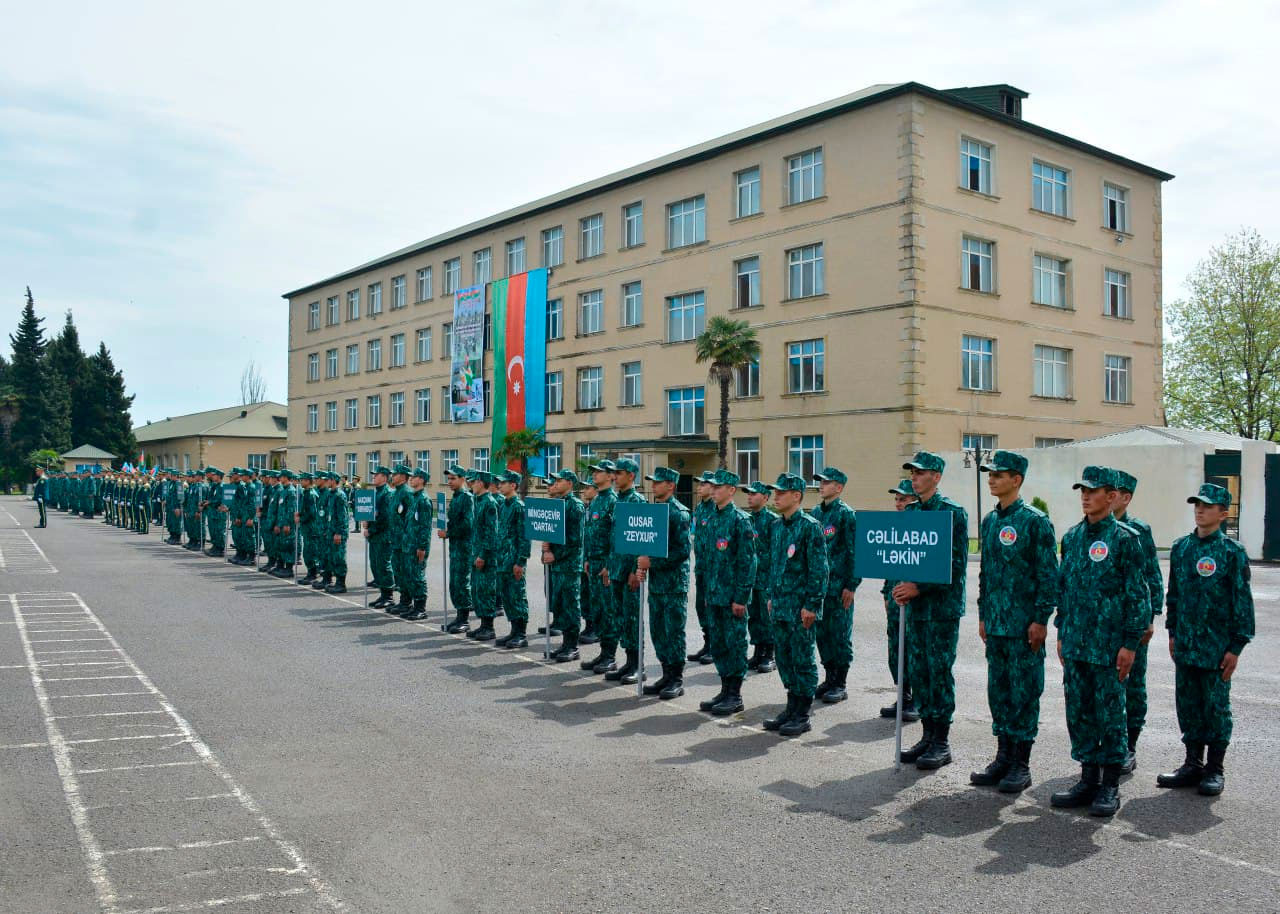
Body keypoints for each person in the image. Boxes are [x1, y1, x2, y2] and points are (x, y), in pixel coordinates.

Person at [1049, 466, 1147, 818]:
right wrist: (1062, 630)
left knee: (1111, 715)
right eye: (1083, 491)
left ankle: (1109, 785)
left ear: (1111, 495)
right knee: (1080, 713)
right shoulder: (1072, 538)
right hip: (1076, 644)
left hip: (1109, 648)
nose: (1086, 497)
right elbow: (1065, 590)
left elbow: (1138, 595)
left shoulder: (1126, 539)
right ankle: (1087, 778)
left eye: (1093, 491)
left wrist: (1130, 643)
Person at [1157, 483, 1254, 797]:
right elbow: (1174, 597)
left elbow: (1242, 602)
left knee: (1215, 707)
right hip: (1185, 643)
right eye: (1197, 504)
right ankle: (1192, 764)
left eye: (1208, 506)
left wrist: (1236, 647)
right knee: (1187, 705)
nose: (1200, 509)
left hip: (1216, 648)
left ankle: (1215, 768)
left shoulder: (1232, 552)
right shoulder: (1181, 548)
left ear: (1223, 513)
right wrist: (1172, 633)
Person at [970, 451, 1058, 794]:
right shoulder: (991, 522)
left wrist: (1040, 619)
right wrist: (982, 615)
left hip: (1024, 628)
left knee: (1023, 693)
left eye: (999, 474)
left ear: (1016, 480)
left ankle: (1021, 764)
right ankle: (1002, 757)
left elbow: (1048, 576)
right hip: (996, 625)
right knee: (999, 692)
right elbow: (986, 574)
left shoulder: (1035, 521)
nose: (991, 479)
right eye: (990, 474)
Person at [895, 451, 968, 771]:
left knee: (938, 673)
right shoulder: (910, 512)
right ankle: (926, 735)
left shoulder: (952, 513)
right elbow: (902, 555)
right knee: (920, 673)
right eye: (912, 472)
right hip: (915, 609)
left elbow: (954, 565)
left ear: (936, 477)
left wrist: (919, 587)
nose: (914, 476)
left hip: (940, 609)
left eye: (921, 472)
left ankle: (941, 740)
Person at [761, 473, 828, 737]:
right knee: (784, 659)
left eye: (781, 492)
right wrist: (769, 595)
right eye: (775, 492)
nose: (775, 496)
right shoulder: (777, 526)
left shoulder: (810, 527)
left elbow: (819, 571)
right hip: (780, 605)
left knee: (802, 659)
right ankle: (791, 706)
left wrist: (812, 604)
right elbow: (773, 565)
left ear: (797, 496)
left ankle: (802, 713)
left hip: (801, 608)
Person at [1111, 470, 1164, 774]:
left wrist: (1151, 617)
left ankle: (1129, 746)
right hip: (1105, 624)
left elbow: (1152, 576)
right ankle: (1108, 746)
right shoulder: (1094, 530)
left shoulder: (1138, 530)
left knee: (1133, 685)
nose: (1110, 495)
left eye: (1115, 492)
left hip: (1134, 622)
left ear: (1126, 497)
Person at [697, 469, 757, 716]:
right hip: (714, 595)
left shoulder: (740, 520)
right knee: (719, 644)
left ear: (731, 491)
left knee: (734, 644)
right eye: (713, 486)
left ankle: (735, 694)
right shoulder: (711, 517)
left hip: (732, 597)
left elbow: (748, 562)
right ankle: (724, 689)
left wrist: (741, 597)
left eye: (719, 487)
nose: (713, 490)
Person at [639, 466, 692, 699]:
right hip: (657, 584)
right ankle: (665, 674)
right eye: (653, 481)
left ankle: (676, 679)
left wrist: (652, 564)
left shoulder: (679, 513)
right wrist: (640, 567)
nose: (653, 485)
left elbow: (681, 552)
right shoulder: (655, 511)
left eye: (658, 482)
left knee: (673, 632)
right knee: (658, 631)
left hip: (673, 585)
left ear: (671, 485)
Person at [810, 467, 860, 704]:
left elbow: (855, 552)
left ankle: (840, 683)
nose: (821, 485)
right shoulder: (815, 513)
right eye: (820, 481)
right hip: (820, 588)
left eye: (826, 482)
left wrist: (851, 585)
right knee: (823, 635)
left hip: (840, 588)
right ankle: (829, 678)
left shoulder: (846, 514)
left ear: (838, 487)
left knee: (840, 635)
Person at [604, 458, 646, 684]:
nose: (614, 477)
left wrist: (634, 570)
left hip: (629, 572)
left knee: (632, 618)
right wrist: (611, 568)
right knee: (621, 618)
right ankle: (628, 662)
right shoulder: (617, 500)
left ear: (631, 476)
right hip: (617, 570)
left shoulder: (636, 501)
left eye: (618, 473)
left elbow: (641, 540)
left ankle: (638, 665)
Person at [880, 480, 919, 721]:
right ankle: (902, 695)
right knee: (896, 651)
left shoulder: (922, 528)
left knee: (913, 650)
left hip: (915, 603)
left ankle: (917, 700)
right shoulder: (894, 526)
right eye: (896, 499)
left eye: (903, 499)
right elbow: (888, 562)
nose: (898, 503)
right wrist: (886, 593)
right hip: (895, 600)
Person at [543, 469, 586, 662]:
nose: (556, 483)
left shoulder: (575, 506)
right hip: (558, 565)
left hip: (568, 565)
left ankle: (572, 646)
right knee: (560, 603)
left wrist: (554, 554)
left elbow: (575, 540)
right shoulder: (559, 504)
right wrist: (547, 547)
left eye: (559, 480)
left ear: (569, 483)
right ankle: (565, 644)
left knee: (570, 606)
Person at [581, 460, 618, 673]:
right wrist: (587, 558)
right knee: (597, 610)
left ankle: (610, 656)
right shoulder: (595, 501)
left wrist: (609, 564)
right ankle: (603, 652)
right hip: (592, 562)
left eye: (598, 472)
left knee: (607, 610)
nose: (594, 475)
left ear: (610, 475)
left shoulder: (612, 501)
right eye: (593, 472)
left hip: (604, 565)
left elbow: (615, 537)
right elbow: (590, 532)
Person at [493, 470, 531, 648]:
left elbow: (524, 537)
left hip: (514, 560)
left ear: (513, 485)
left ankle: (521, 634)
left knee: (517, 596)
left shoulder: (519, 507)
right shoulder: (503, 505)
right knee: (507, 596)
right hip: (502, 560)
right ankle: (513, 631)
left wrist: (520, 561)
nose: (499, 485)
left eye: (503, 482)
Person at [743, 481, 777, 673]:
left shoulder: (772, 520)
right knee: (753, 616)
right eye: (748, 493)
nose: (749, 496)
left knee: (766, 617)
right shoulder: (746, 520)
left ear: (765, 497)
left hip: (766, 578)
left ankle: (770, 655)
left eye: (754, 494)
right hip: (751, 579)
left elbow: (776, 552)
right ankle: (757, 652)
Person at [440, 465, 475, 631]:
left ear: (463, 479)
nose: (450, 482)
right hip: (456, 546)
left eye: (453, 478)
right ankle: (459, 616)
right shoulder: (455, 497)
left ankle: (464, 619)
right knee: (454, 582)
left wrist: (449, 533)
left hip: (464, 547)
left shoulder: (467, 498)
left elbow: (468, 525)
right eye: (448, 479)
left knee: (461, 582)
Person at [465, 471, 499, 640]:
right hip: (476, 552)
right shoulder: (477, 501)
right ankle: (482, 625)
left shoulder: (489, 503)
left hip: (486, 557)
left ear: (483, 483)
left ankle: (489, 627)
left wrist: (483, 555)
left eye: (476, 481)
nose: (473, 484)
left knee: (486, 591)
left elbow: (491, 533)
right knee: (477, 590)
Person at [688, 470, 717, 665]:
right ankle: (707, 644)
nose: (699, 487)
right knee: (701, 607)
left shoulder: (716, 508)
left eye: (703, 484)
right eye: (698, 483)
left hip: (714, 569)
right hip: (701, 567)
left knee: (712, 607)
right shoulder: (699, 509)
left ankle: (715, 647)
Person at [400, 468, 432, 620]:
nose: (411, 479)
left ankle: (421, 608)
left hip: (417, 546)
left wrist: (422, 547)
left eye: (414, 477)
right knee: (410, 575)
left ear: (421, 480)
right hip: (409, 544)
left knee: (418, 576)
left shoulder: (424, 500)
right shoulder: (414, 498)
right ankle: (413, 605)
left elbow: (425, 526)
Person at [384, 465, 414, 614]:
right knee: (398, 571)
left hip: (404, 541)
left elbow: (410, 520)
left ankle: (407, 602)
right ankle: (403, 600)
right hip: (395, 540)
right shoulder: (396, 492)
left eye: (395, 474)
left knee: (405, 571)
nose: (392, 476)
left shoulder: (407, 493)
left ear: (403, 476)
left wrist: (406, 539)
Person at [365, 466, 395, 606]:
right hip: (375, 536)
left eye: (376, 475)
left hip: (383, 536)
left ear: (384, 477)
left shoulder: (387, 494)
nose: (373, 477)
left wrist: (371, 530)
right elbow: (373, 513)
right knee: (376, 565)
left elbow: (386, 519)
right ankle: (383, 594)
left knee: (384, 566)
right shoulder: (376, 493)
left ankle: (388, 596)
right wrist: (366, 521)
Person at [578, 481, 600, 644]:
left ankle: (597, 629)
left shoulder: (601, 506)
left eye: (587, 487)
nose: (584, 490)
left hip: (598, 560)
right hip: (586, 558)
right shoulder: (588, 507)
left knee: (596, 597)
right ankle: (589, 625)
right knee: (586, 594)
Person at [323, 471, 350, 594]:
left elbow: (343, 516)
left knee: (339, 557)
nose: (326, 481)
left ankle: (341, 583)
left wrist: (339, 532)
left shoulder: (340, 495)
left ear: (333, 480)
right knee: (331, 556)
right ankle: (332, 581)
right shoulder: (330, 494)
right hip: (331, 531)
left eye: (328, 479)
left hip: (338, 533)